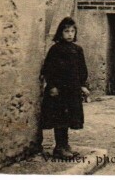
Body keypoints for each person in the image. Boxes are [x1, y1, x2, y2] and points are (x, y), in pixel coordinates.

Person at [40, 17, 90, 159]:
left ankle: (65, 145)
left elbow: (82, 69)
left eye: (72, 31)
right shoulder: (55, 49)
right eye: (66, 31)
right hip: (59, 91)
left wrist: (82, 85)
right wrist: (52, 86)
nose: (70, 34)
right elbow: (48, 69)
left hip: (72, 91)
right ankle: (59, 147)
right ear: (60, 33)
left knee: (69, 117)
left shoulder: (77, 50)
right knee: (60, 118)